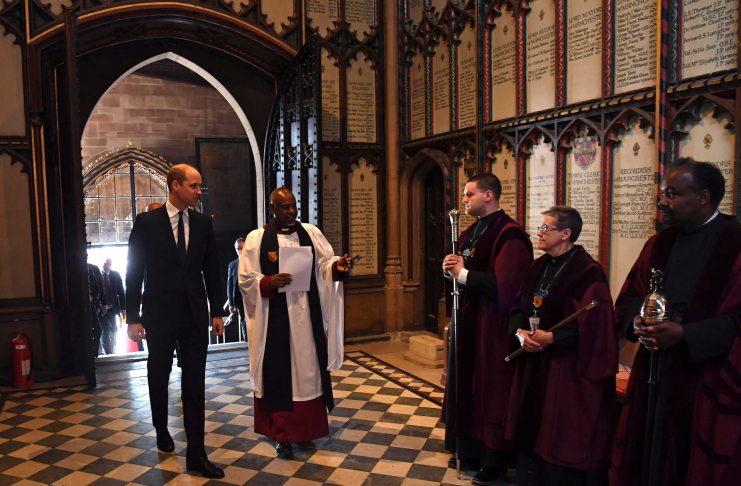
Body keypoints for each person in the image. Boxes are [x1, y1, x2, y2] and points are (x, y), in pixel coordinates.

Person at [611, 159, 741, 486]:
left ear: (703, 197)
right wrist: (636, 323)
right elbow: (629, 296)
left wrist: (685, 334)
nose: (662, 201)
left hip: (703, 375)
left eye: (672, 194)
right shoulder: (659, 243)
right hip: (653, 370)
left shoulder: (735, 243)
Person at [125, 164, 225, 479]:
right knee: (159, 373)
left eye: (199, 186)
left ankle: (196, 453)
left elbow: (213, 268)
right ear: (175, 185)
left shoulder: (203, 223)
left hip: (194, 315)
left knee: (195, 382)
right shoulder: (147, 223)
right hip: (160, 313)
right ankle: (160, 428)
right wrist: (133, 317)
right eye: (194, 186)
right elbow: (134, 271)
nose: (199, 191)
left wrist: (216, 312)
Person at [506, 206, 617, 486]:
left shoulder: (587, 272)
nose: (539, 233)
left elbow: (596, 326)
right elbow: (519, 305)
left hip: (564, 369)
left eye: (545, 228)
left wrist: (554, 338)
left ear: (566, 234)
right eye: (540, 227)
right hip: (534, 362)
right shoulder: (539, 266)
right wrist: (520, 333)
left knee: (556, 435)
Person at [238, 187, 352, 457]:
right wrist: (266, 282)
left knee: (307, 374)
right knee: (278, 375)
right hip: (274, 319)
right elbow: (245, 279)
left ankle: (306, 430)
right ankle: (282, 435)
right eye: (284, 207)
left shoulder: (310, 233)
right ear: (272, 208)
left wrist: (338, 267)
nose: (291, 212)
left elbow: (325, 265)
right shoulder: (257, 239)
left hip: (305, 318)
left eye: (293, 206)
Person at [441, 173, 533, 485]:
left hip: (492, 328)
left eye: (469, 194)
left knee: (490, 390)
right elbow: (461, 270)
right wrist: (450, 269)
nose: (464, 200)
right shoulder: (471, 231)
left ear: (489, 195)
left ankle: (493, 458)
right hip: (469, 321)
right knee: (466, 386)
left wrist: (463, 274)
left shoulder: (509, 235)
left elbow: (506, 286)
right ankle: (468, 447)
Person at [99, 257, 125, 355]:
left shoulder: (115, 275)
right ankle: (108, 352)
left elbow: (121, 292)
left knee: (113, 330)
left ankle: (111, 352)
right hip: (101, 309)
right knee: (104, 330)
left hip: (112, 308)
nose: (107, 265)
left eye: (109, 263)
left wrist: (124, 308)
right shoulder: (98, 274)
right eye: (105, 263)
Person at [225, 237, 247, 343]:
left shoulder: (254, 262)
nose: (240, 251)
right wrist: (231, 304)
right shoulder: (232, 265)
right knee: (244, 320)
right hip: (239, 297)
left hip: (252, 296)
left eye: (242, 248)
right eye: (238, 248)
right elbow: (229, 285)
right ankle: (246, 343)